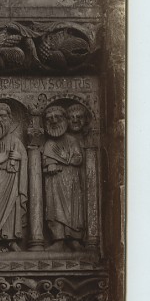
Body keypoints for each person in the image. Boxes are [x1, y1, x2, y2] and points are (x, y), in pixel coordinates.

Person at [0, 102, 27, 251]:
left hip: (12, 180)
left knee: (12, 207)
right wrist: (0, 159)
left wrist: (20, 157)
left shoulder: (16, 141)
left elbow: (26, 159)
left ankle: (11, 240)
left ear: (10, 119)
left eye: (2, 116)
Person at [42, 105, 84, 250]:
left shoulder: (72, 140)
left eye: (57, 117)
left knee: (73, 208)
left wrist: (66, 160)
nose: (54, 121)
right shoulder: (49, 144)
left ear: (65, 120)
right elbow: (44, 161)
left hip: (71, 180)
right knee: (54, 208)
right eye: (49, 119)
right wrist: (50, 164)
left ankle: (74, 239)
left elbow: (78, 158)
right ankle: (58, 239)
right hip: (54, 181)